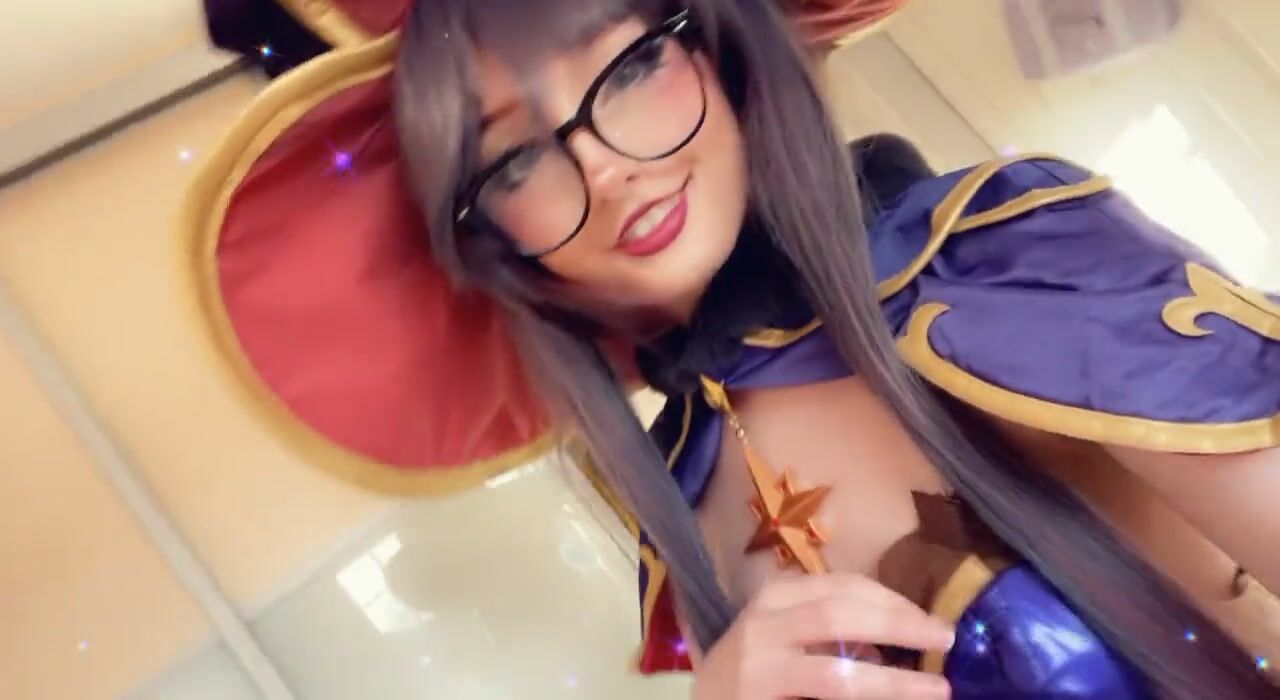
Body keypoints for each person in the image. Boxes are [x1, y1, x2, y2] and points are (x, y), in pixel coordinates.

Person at [187, 0, 1280, 697]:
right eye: (512, 162)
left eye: (625, 68)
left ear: (714, 42)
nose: (602, 166)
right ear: (490, 241)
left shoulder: (995, 258)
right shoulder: (679, 513)